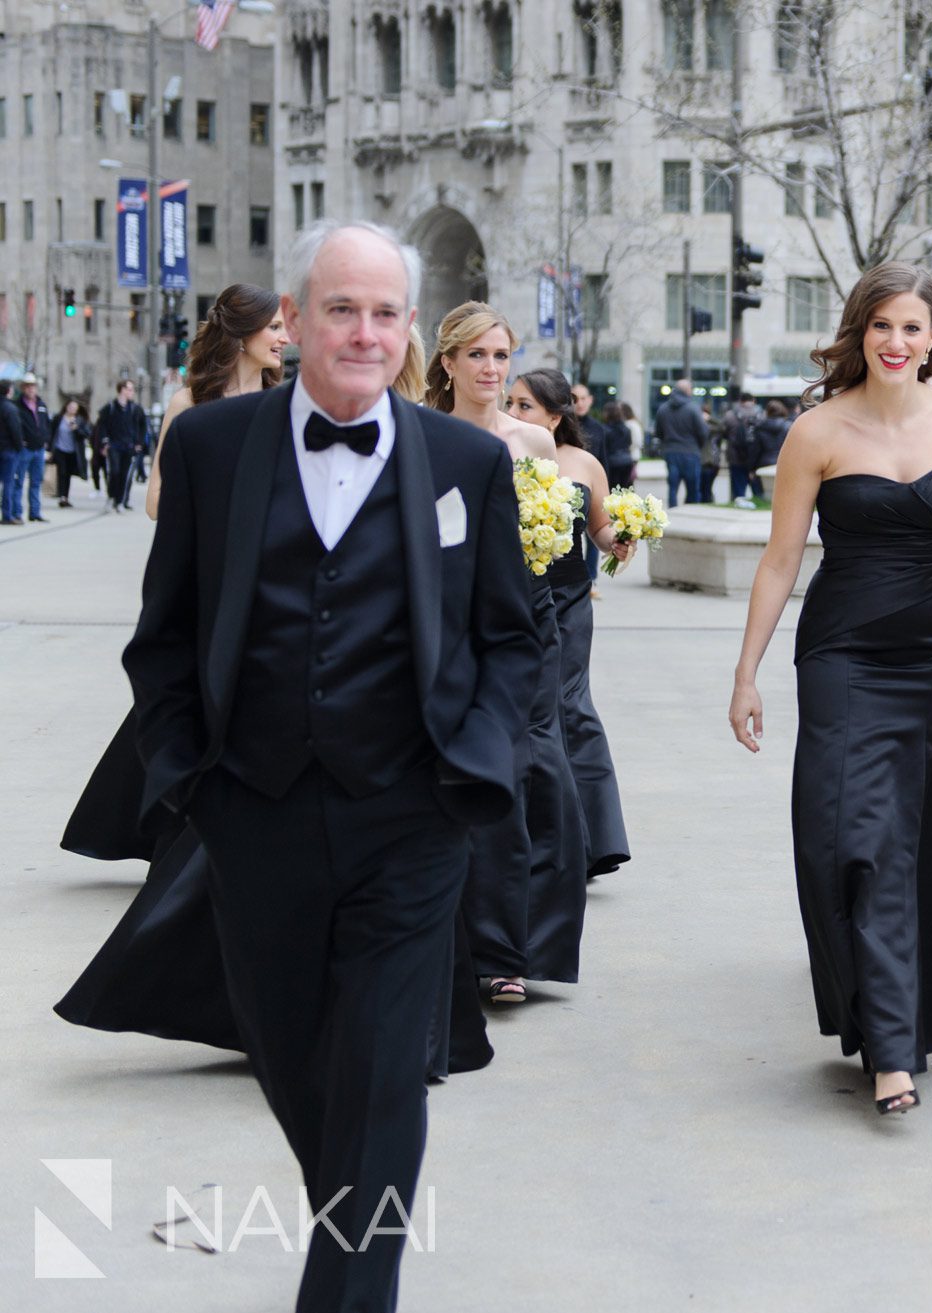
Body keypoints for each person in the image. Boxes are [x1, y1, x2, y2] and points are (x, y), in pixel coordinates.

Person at [116, 220, 539, 1310]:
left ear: (410, 332)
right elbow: (163, 634)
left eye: (385, 312)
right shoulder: (211, 449)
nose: (363, 331)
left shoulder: (467, 459)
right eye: (340, 308)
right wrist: (187, 776)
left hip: (411, 816)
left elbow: (507, 636)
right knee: (299, 1063)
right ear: (293, 321)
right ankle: (354, 1235)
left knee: (387, 1073)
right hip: (250, 814)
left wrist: (474, 763)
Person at [727, 261, 932, 1117]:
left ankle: (897, 1044)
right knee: (847, 836)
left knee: (912, 844)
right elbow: (780, 559)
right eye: (882, 326)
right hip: (843, 652)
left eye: (914, 328)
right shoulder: (815, 430)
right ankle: (884, 1034)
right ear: (861, 333)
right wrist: (746, 672)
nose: (898, 342)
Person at [423, 302, 584, 1005]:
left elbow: (555, 541)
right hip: (447, 622)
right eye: (478, 355)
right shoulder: (421, 434)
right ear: (449, 361)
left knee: (531, 772)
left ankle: (510, 948)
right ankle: (451, 939)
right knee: (452, 774)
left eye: (501, 355)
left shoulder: (535, 443)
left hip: (527, 619)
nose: (491, 369)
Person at [509, 366, 635, 879]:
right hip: (516, 596)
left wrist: (621, 539)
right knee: (528, 707)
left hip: (570, 596)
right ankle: (539, 835)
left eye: (525, 406)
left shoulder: (584, 462)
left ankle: (594, 841)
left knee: (569, 703)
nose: (513, 413)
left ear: (556, 417)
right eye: (511, 403)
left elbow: (600, 531)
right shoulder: (503, 451)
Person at [150, 283, 289, 520]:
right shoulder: (187, 404)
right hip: (208, 549)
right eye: (274, 327)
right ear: (244, 332)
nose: (285, 339)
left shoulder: (284, 407)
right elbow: (155, 503)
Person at [653, 378, 708, 505]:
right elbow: (703, 432)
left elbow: (658, 432)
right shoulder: (693, 409)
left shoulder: (663, 409)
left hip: (670, 451)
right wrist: (698, 445)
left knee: (672, 487)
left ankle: (672, 512)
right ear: (687, 391)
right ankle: (691, 511)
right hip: (691, 451)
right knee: (693, 488)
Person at [96, 379, 147, 511]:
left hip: (129, 446)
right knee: (114, 471)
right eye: (129, 389)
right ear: (122, 390)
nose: (132, 392)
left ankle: (119, 501)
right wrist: (104, 442)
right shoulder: (110, 407)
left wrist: (139, 443)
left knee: (124, 474)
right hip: (114, 445)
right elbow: (101, 425)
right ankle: (111, 496)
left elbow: (143, 426)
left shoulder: (135, 409)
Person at [13, 374, 52, 521]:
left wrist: (46, 441)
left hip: (39, 448)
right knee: (19, 481)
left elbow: (47, 425)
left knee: (36, 481)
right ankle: (17, 512)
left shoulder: (41, 405)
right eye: (28, 386)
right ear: (23, 388)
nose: (31, 389)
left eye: (33, 386)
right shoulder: (18, 406)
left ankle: (35, 512)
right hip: (25, 448)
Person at [724, 394, 766, 506]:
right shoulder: (761, 415)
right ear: (753, 400)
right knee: (758, 491)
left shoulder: (730, 415)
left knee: (738, 491)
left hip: (736, 457)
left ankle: (738, 504)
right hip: (756, 459)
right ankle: (760, 505)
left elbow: (724, 433)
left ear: (740, 401)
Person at [53, 398, 86, 507]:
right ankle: (61, 496)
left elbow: (85, 434)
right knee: (61, 472)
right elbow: (51, 433)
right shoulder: (58, 418)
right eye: (70, 407)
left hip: (73, 451)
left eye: (74, 408)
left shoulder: (79, 420)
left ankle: (66, 497)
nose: (72, 409)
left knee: (68, 474)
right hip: (60, 449)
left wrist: (76, 429)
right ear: (66, 407)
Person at [0, 379, 23, 525]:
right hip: (8, 450)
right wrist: (19, 447)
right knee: (8, 483)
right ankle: (7, 515)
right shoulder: (10, 408)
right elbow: (15, 431)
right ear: (9, 391)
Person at [604, 399, 641, 489]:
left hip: (612, 463)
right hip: (626, 460)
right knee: (626, 488)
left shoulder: (605, 430)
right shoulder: (626, 428)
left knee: (613, 489)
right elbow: (630, 443)